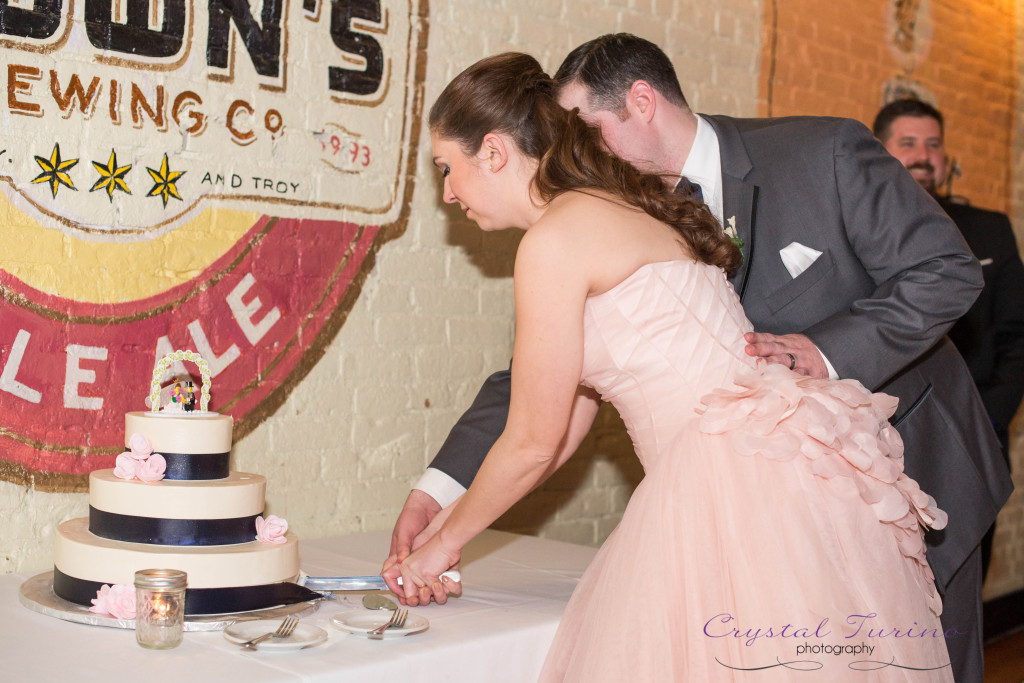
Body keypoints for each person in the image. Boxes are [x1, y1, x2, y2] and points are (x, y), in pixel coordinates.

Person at [384, 35, 1012, 682]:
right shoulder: (635, 208)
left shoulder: (815, 154)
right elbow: (558, 403)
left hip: (877, 461)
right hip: (782, 475)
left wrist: (440, 548)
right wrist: (443, 502)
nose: (572, 144)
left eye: (444, 169)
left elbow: (946, 271)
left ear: (641, 102)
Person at [873, 98, 1024, 579]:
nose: (924, 154)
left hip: (973, 443)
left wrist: (985, 421)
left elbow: (1018, 339)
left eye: (933, 144)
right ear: (880, 151)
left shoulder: (991, 231)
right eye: (909, 143)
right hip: (879, 447)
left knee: (962, 589)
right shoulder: (859, 227)